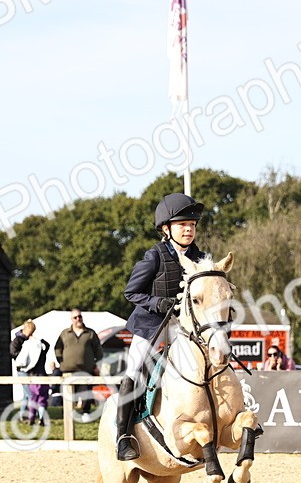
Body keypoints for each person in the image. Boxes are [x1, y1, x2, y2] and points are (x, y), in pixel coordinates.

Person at [115, 192, 207, 460]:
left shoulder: (200, 258)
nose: (189, 229)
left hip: (183, 327)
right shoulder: (154, 256)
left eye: (192, 225)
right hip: (151, 327)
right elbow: (131, 292)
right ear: (167, 229)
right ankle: (123, 436)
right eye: (182, 225)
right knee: (135, 370)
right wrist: (158, 303)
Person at [55, 309, 103, 414]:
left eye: (80, 316)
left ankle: (85, 411)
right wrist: (61, 362)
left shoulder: (90, 333)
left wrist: (97, 365)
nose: (78, 319)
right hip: (68, 369)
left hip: (86, 369)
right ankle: (68, 413)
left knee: (86, 393)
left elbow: (98, 350)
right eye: (75, 317)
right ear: (71, 319)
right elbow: (57, 348)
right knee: (69, 393)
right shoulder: (65, 333)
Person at [13, 320, 51, 425]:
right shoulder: (19, 341)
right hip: (30, 372)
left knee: (29, 395)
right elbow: (15, 354)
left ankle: (29, 417)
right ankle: (36, 417)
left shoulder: (32, 343)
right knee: (33, 396)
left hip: (32, 373)